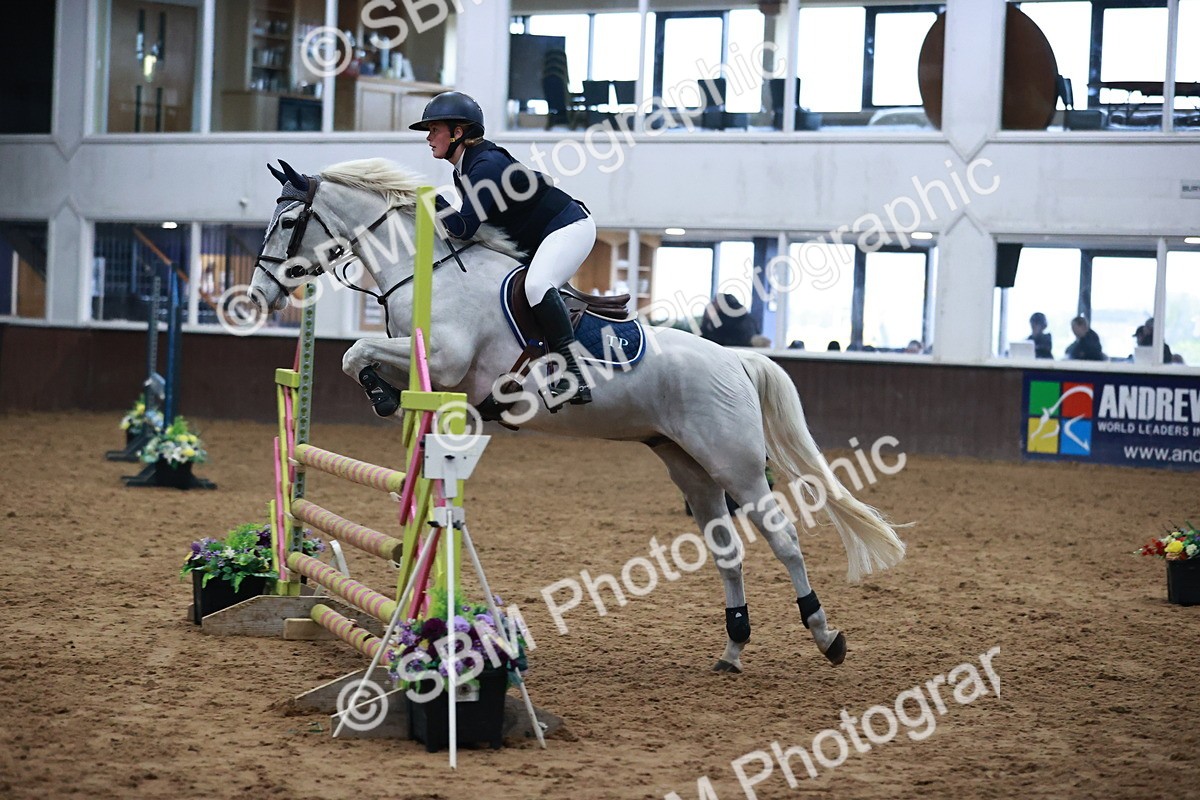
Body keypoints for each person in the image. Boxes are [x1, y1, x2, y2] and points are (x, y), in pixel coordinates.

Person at [409, 91, 596, 406]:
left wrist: (429, 200)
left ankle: (574, 377)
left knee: (537, 285)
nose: (428, 137)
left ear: (458, 132)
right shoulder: (466, 167)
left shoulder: (485, 165)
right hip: (536, 238)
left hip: (568, 228)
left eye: (434, 129)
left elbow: (463, 228)